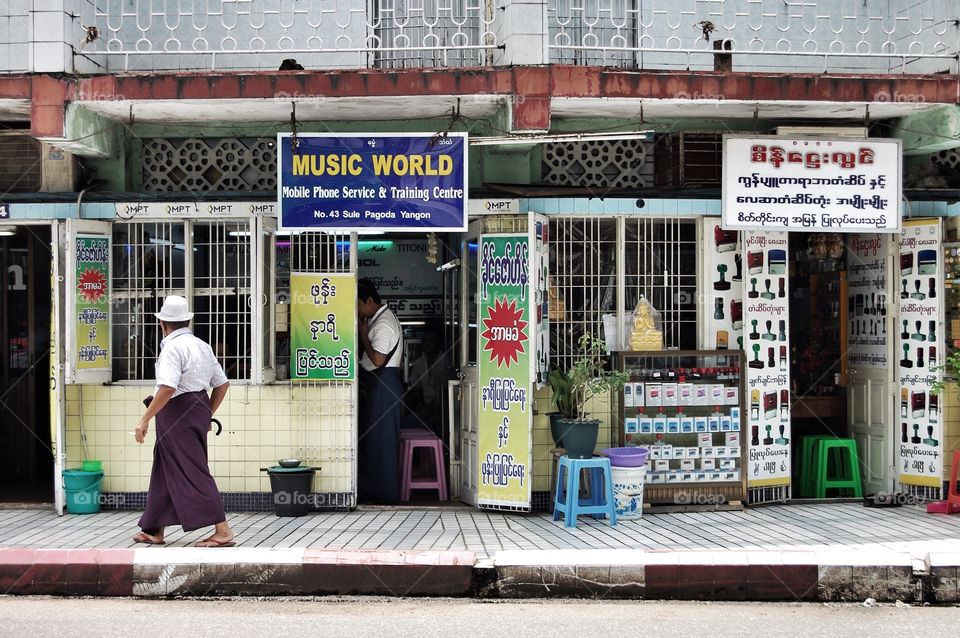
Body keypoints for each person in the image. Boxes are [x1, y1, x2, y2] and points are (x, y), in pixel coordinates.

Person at [132, 295, 235, 547]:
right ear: (188, 320)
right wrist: (207, 413)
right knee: (165, 467)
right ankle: (155, 529)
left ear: (162, 324)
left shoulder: (171, 348)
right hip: (195, 409)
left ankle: (223, 531)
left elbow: (167, 387)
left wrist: (145, 418)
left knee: (193, 469)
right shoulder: (202, 345)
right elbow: (222, 384)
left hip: (177, 412)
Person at [357, 278, 404, 504]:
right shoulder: (380, 318)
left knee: (382, 442)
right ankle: (373, 489)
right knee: (374, 441)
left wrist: (363, 333)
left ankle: (384, 493)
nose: (356, 311)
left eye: (357, 305)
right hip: (382, 385)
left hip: (383, 386)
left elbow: (377, 359)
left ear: (368, 300)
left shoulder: (383, 323)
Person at [405, 324, 447, 437]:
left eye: (431, 341)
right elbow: (416, 387)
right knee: (407, 424)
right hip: (425, 407)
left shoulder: (446, 361)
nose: (428, 344)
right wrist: (421, 404)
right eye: (425, 341)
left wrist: (438, 405)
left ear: (438, 343)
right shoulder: (419, 363)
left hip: (444, 407)